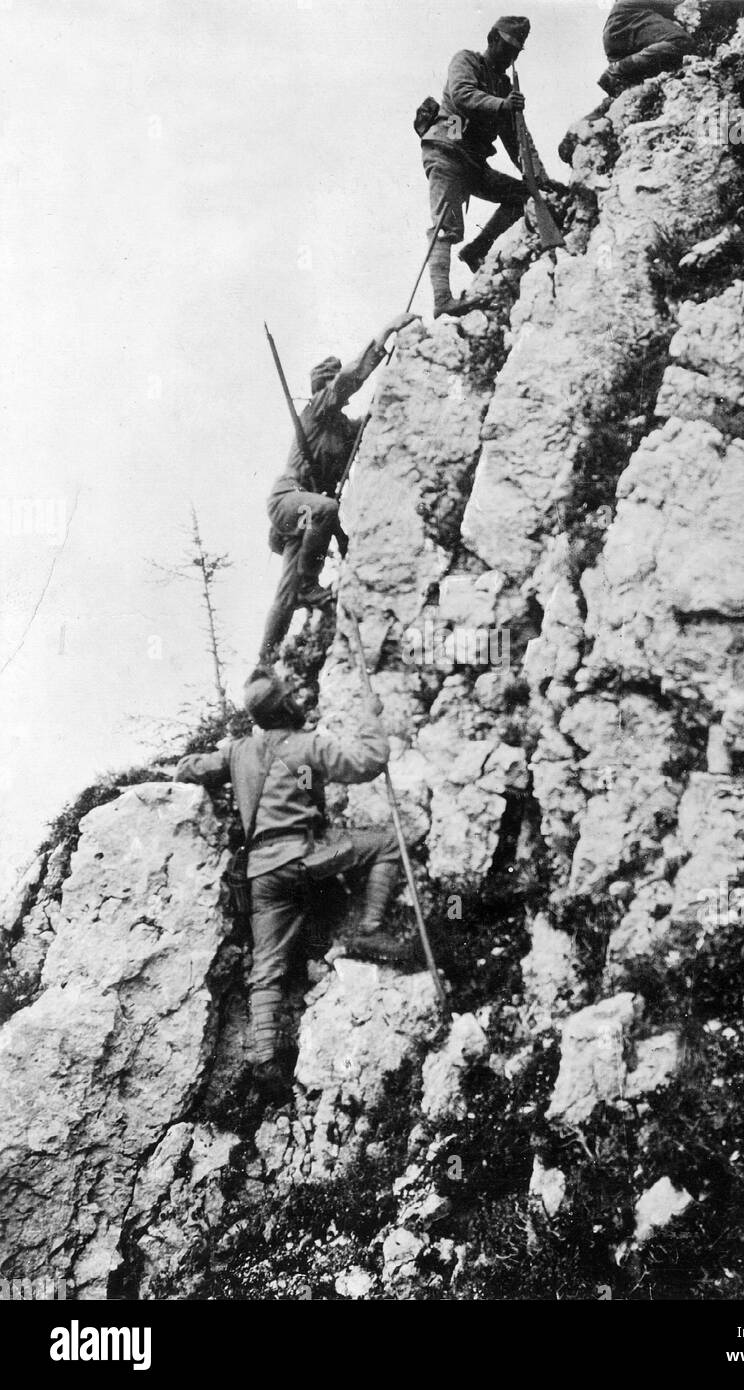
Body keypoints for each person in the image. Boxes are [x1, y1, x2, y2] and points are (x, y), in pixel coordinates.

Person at [174, 666, 413, 1103]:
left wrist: (208, 760)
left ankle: (265, 1059)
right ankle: (369, 928)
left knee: (267, 967)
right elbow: (369, 762)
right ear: (288, 705)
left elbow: (191, 768)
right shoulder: (308, 744)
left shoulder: (238, 752)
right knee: (386, 845)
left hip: (261, 875)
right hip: (306, 860)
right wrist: (370, 716)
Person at [258, 311, 418, 664]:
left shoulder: (342, 430)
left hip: (306, 515)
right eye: (329, 390)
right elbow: (348, 379)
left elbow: (366, 426)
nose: (334, 397)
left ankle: (263, 663)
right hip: (289, 500)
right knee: (325, 511)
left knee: (287, 596)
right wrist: (382, 337)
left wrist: (387, 393)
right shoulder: (315, 412)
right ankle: (311, 584)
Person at [420, 16, 531, 318]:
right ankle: (442, 299)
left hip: (473, 162)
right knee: (446, 227)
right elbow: (463, 95)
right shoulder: (466, 61)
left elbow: (516, 137)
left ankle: (477, 249)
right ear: (492, 38)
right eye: (507, 48)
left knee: (522, 196)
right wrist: (503, 105)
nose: (511, 57)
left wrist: (538, 177)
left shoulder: (504, 85)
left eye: (517, 52)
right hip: (447, 149)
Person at [598, 1, 695, 97]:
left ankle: (622, 71)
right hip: (628, 18)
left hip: (620, 27)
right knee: (680, 41)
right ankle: (618, 70)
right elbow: (672, 4)